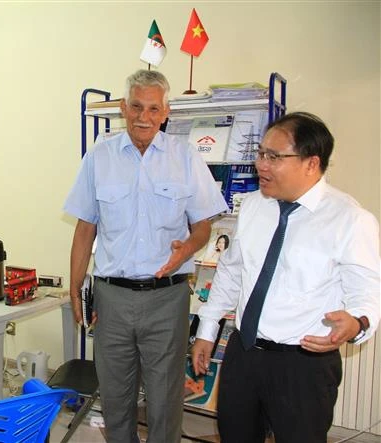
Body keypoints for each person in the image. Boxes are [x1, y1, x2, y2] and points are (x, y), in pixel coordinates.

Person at [191, 112, 380, 443]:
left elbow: (367, 293)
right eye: (260, 153)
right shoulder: (253, 206)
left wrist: (357, 324)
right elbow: (232, 271)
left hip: (303, 366)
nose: (260, 165)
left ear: (311, 164)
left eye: (273, 157)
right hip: (244, 354)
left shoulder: (350, 220)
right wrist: (207, 331)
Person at [64, 70, 228, 443]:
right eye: (136, 106)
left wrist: (187, 247)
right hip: (112, 298)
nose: (144, 116)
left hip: (167, 298)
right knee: (116, 399)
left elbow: (202, 224)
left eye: (154, 108)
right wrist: (75, 289)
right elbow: (84, 227)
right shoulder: (100, 156)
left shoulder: (184, 156)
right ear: (124, 108)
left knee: (164, 401)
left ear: (165, 112)